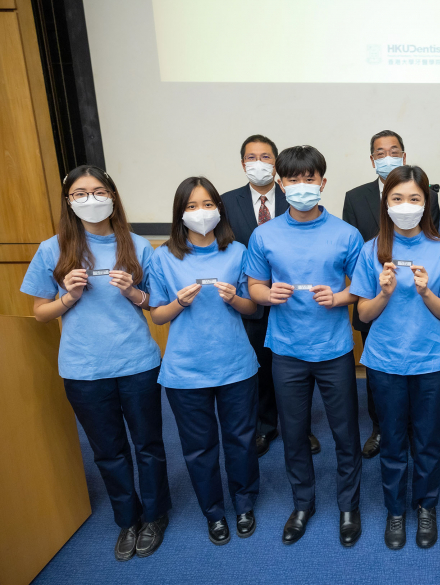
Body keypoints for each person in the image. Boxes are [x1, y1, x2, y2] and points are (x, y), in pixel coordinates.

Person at [20, 165, 171, 561]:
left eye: (99, 191)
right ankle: (128, 519)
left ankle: (155, 515)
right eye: (80, 194)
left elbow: (156, 305)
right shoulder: (52, 249)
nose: (91, 200)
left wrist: (134, 293)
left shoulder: (138, 246)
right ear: (68, 201)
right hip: (83, 369)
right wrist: (68, 297)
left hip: (137, 363)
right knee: (107, 450)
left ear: (113, 196)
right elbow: (40, 312)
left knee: (149, 444)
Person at [246, 145, 365, 547]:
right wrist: (266, 295)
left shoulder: (346, 234)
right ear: (281, 184)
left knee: (345, 433)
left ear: (322, 182)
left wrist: (340, 297)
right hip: (286, 351)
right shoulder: (264, 234)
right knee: (294, 434)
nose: (301, 186)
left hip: (334, 350)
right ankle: (303, 503)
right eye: (293, 179)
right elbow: (254, 285)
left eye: (309, 179)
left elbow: (361, 286)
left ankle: (349, 506)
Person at [350, 165, 440, 550]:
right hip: (385, 362)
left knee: (428, 441)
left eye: (414, 198)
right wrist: (383, 292)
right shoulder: (371, 249)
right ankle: (395, 511)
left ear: (426, 203)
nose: (406, 205)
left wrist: (427, 292)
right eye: (397, 198)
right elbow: (363, 315)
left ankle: (426, 507)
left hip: (430, 362)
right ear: (386, 203)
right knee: (393, 441)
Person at [148, 177, 260, 545]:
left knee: (241, 440)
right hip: (185, 370)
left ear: (219, 209)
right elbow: (158, 316)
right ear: (180, 213)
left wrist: (234, 299)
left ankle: (244, 504)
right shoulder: (163, 256)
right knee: (199, 448)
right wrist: (179, 302)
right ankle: (214, 513)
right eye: (192, 206)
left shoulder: (238, 251)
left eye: (208, 204)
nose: (201, 212)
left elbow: (252, 307)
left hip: (236, 365)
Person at [342, 130, 440, 460]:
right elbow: (354, 249)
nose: (388, 157)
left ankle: (411, 431)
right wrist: (378, 284)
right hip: (376, 295)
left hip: (420, 312)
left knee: (422, 404)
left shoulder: (429, 199)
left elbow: (433, 235)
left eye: (394, 151)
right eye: (380, 152)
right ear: (372, 159)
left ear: (404, 155)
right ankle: (381, 428)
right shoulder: (356, 197)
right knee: (380, 380)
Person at [221, 134, 320, 458]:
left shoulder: (296, 194)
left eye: (265, 157)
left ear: (276, 165)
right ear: (242, 164)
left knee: (299, 373)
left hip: (294, 303)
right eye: (252, 157)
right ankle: (265, 425)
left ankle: (301, 429)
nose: (259, 163)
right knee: (261, 368)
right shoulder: (226, 201)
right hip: (251, 299)